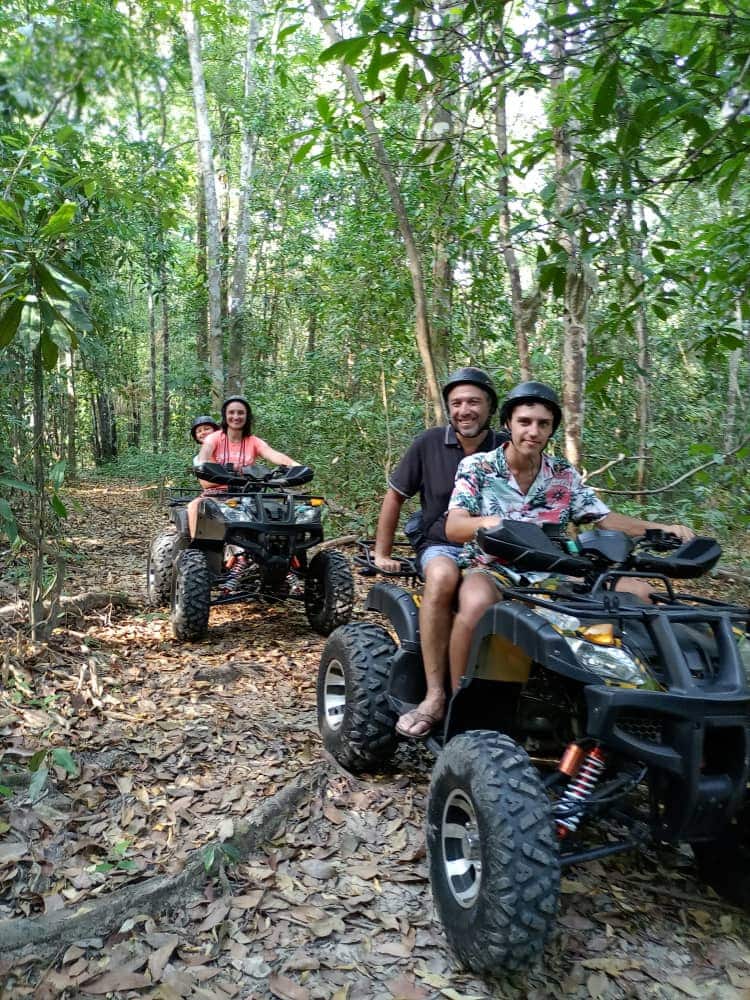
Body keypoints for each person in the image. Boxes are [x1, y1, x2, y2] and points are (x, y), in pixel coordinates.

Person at [445, 380, 695, 690]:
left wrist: (663, 529)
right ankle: (456, 697)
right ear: (508, 423)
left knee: (643, 592)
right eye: (524, 422)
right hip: (492, 568)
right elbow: (454, 527)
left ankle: (663, 686)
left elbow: (604, 519)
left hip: (556, 570)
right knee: (475, 603)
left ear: (552, 429)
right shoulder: (478, 467)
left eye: (543, 424)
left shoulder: (562, 474)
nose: (533, 431)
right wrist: (494, 523)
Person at [373, 367, 508, 738]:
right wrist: (382, 552)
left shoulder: (505, 447)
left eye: (474, 402)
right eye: (457, 403)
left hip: (496, 550)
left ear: (490, 407)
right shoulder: (429, 443)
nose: (465, 410)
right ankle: (434, 695)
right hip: (440, 544)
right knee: (443, 576)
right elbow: (395, 496)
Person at [188, 395, 300, 539]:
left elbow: (272, 454)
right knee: (196, 505)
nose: (236, 417)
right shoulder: (214, 438)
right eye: (231, 412)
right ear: (225, 416)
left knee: (281, 511)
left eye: (240, 413)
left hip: (248, 493)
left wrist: (295, 466)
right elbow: (205, 455)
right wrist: (202, 465)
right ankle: (196, 547)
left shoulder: (254, 441)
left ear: (247, 416)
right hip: (217, 494)